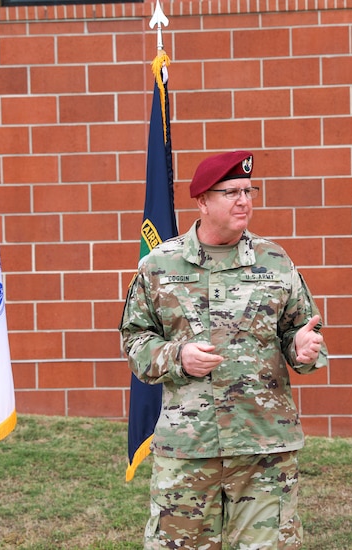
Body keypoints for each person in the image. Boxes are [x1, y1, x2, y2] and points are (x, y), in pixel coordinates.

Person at [120, 150, 328, 549]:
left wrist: (304, 348)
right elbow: (135, 342)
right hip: (188, 447)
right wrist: (178, 357)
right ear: (202, 201)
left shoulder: (275, 261)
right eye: (231, 192)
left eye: (249, 191)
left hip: (264, 448)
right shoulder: (159, 266)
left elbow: (300, 332)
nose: (244, 201)